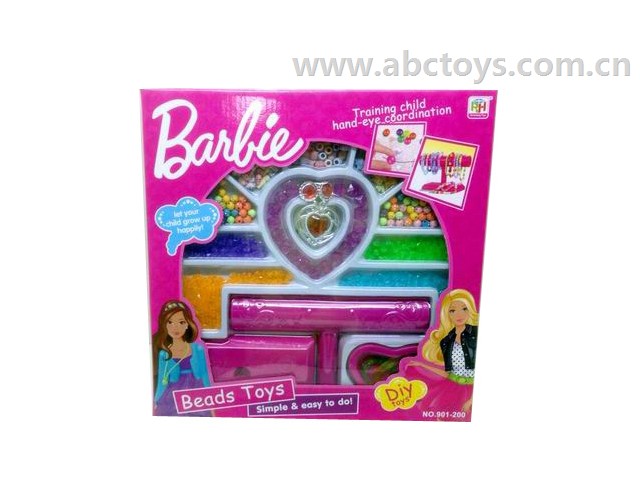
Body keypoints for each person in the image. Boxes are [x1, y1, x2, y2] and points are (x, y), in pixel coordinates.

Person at [406, 289, 478, 415]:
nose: (459, 314)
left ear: (470, 309)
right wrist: (422, 364)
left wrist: (471, 399)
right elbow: (447, 373)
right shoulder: (446, 340)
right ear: (446, 313)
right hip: (452, 386)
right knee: (434, 412)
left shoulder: (475, 334)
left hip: (469, 389)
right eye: (452, 310)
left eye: (464, 309)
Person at [153, 300, 212, 416]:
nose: (175, 327)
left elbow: (205, 376)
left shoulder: (197, 349)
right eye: (170, 322)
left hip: (196, 392)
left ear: (187, 324)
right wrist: (155, 399)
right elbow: (162, 381)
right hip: (173, 395)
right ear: (164, 325)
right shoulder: (164, 354)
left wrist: (211, 396)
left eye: (181, 322)